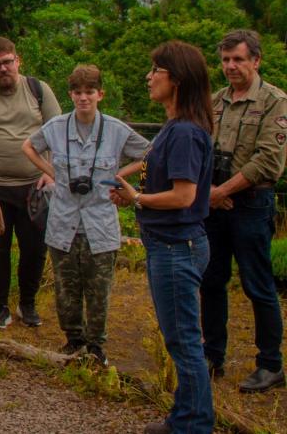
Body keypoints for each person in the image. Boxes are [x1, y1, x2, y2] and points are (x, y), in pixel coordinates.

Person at [110, 40, 215, 434]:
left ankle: (194, 424)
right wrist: (133, 197)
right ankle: (186, 417)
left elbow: (184, 195)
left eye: (157, 70)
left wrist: (137, 197)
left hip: (176, 247)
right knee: (181, 339)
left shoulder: (185, 132)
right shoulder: (176, 127)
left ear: (178, 78)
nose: (149, 77)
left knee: (185, 341)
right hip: (171, 243)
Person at [22, 65, 149, 366]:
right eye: (78, 93)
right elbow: (28, 146)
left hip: (100, 221)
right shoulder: (56, 127)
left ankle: (96, 345)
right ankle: (73, 340)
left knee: (98, 288)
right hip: (64, 219)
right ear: (71, 95)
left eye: (89, 92)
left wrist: (120, 176)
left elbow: (151, 152)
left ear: (100, 95)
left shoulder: (116, 130)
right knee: (66, 288)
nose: (83, 98)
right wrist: (51, 172)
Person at [202, 30, 287, 393]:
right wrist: (209, 192)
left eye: (238, 59)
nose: (231, 67)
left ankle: (270, 364)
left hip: (251, 204)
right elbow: (200, 146)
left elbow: (268, 161)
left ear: (256, 60)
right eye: (225, 60)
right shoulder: (215, 101)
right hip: (214, 204)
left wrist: (223, 190)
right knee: (211, 280)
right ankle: (212, 356)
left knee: (258, 284)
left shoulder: (274, 101)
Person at [0, 36, 61, 329]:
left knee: (34, 249)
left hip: (35, 185)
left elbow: (58, 132)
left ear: (18, 61)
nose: (3, 68)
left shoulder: (38, 90)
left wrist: (51, 170)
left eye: (8, 62)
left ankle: (28, 304)